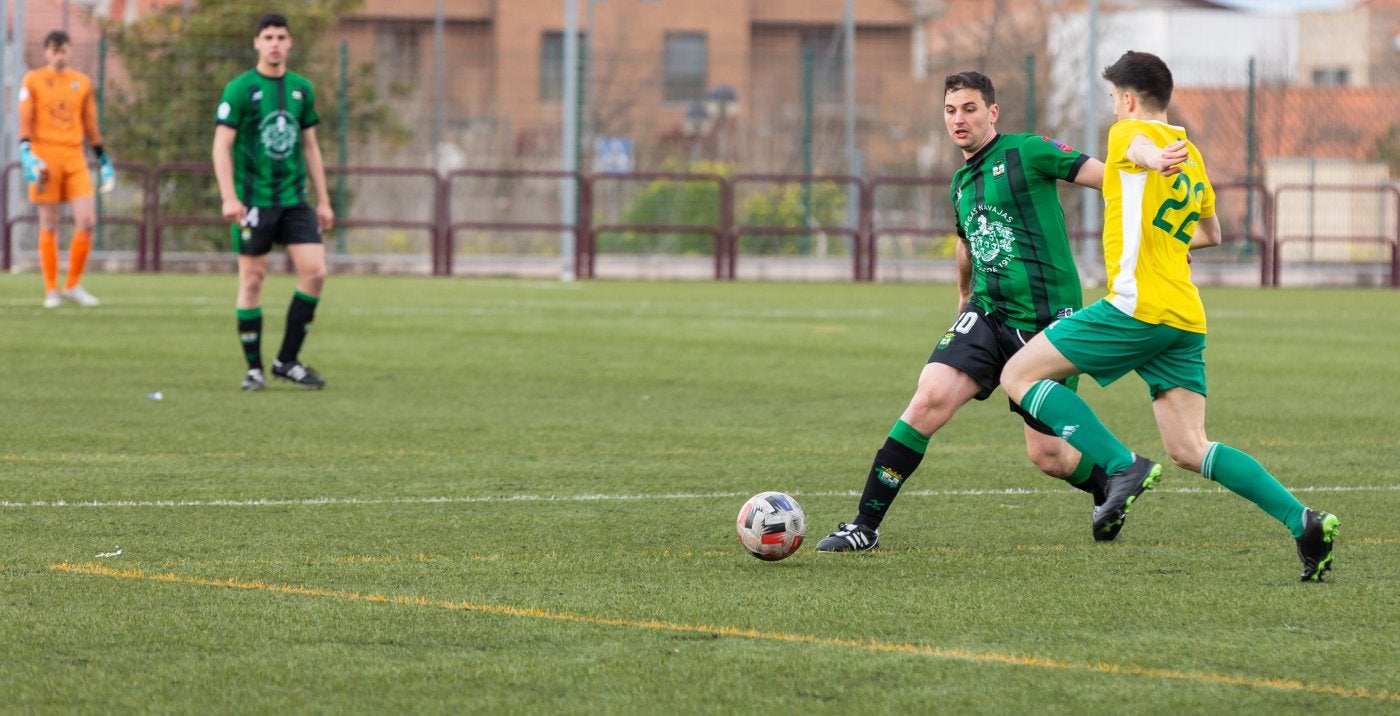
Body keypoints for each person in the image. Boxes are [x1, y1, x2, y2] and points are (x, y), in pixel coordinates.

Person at [1001, 51, 1339, 581]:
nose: (1113, 108)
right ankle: (1304, 522)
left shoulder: (1128, 134)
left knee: (1017, 373)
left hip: (1138, 307)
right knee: (1189, 447)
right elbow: (1212, 234)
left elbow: (1134, 146)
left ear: (1129, 100)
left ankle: (1121, 465)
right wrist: (1170, 219)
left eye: (1113, 98)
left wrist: (1149, 159)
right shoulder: (1191, 153)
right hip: (1183, 315)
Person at [816, 71, 1184, 553]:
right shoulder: (960, 182)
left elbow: (1110, 179)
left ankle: (1109, 486)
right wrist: (964, 293)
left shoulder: (1028, 151)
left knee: (1049, 454)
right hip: (988, 313)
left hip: (1049, 320)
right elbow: (967, 241)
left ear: (992, 113)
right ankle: (864, 525)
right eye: (950, 111)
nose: (958, 119)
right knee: (928, 399)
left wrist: (1156, 189)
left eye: (969, 108)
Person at [213, 13, 334, 391]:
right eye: (268, 36)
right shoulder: (240, 89)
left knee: (315, 272)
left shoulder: (301, 89)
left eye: (281, 36)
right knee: (252, 281)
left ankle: (287, 360)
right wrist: (229, 196)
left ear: (290, 42)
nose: (275, 43)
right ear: (257, 43)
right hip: (253, 202)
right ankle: (253, 370)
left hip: (294, 200)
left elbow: (311, 147)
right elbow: (221, 145)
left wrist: (324, 201)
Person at [18, 29, 115, 308]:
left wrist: (103, 157)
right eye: (54, 50)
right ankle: (51, 288)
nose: (59, 55)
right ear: (46, 51)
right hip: (45, 157)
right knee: (49, 223)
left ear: (69, 51)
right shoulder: (33, 80)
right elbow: (26, 117)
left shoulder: (81, 82)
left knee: (87, 220)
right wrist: (25, 148)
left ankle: (72, 284)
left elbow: (90, 123)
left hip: (74, 156)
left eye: (63, 50)